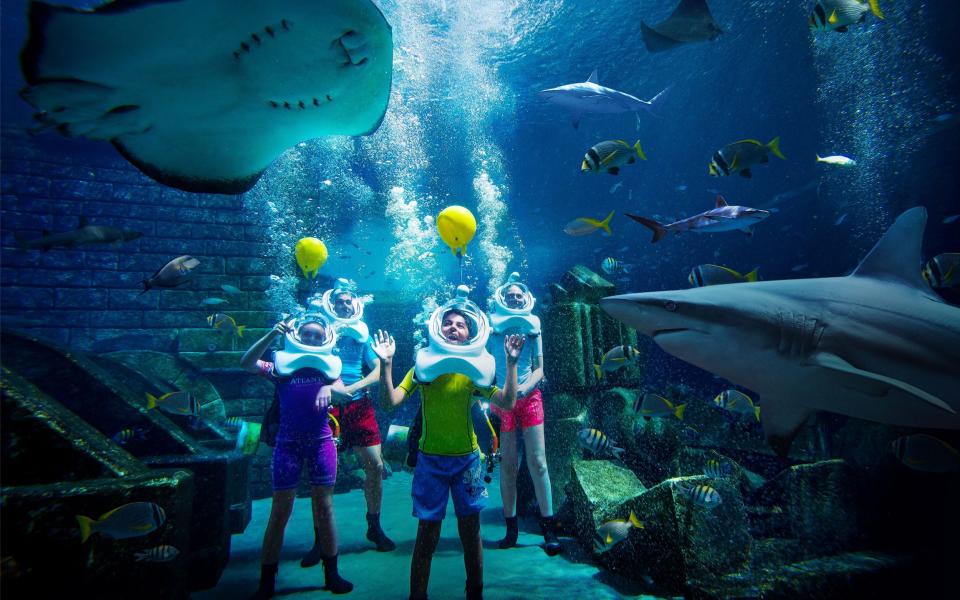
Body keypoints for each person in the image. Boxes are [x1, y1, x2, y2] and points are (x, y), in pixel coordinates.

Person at [374, 286, 525, 600]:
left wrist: (511, 364)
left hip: (469, 461)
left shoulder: (473, 371)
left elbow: (508, 403)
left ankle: (475, 593)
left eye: (461, 325)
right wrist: (387, 364)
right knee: (426, 535)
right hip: (430, 463)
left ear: (470, 333)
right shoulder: (423, 369)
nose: (453, 327)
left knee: (471, 533)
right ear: (437, 327)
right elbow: (389, 403)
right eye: (448, 323)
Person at [240, 315, 354, 598]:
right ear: (296, 335)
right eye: (308, 334)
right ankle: (267, 580)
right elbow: (247, 363)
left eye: (318, 335)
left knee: (325, 508)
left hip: (321, 443)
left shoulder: (329, 368)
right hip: (287, 445)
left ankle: (332, 573)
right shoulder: (281, 366)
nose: (313, 339)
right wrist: (270, 335)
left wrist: (330, 388)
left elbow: (344, 393)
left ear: (325, 338)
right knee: (280, 511)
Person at [301, 279, 395, 562]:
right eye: (339, 301)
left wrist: (350, 390)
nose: (344, 305)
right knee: (322, 475)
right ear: (331, 304)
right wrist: (330, 390)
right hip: (324, 409)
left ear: (356, 305)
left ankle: (374, 526)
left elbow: (377, 370)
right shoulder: (318, 330)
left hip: (359, 405)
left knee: (376, 467)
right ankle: (320, 540)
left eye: (348, 302)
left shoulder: (362, 334)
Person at [486, 273, 560, 556]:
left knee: (538, 463)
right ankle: (511, 529)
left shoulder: (533, 326)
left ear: (525, 299)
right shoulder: (492, 328)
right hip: (501, 403)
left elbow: (540, 368)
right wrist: (503, 394)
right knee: (507, 467)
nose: (515, 299)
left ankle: (548, 528)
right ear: (502, 299)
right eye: (510, 296)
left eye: (519, 296)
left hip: (530, 400)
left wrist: (522, 390)